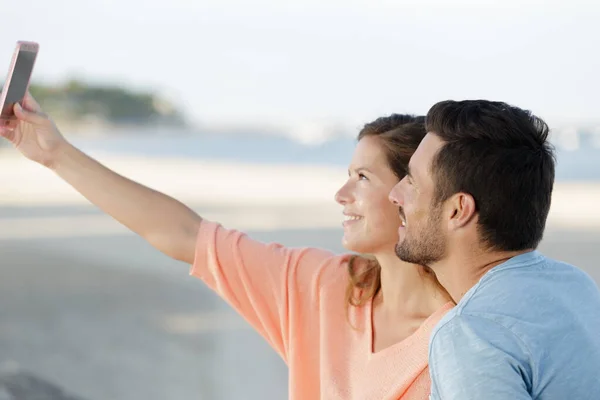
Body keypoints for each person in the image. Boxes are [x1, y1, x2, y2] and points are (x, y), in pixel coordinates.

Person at [0, 93, 454, 400]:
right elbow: (183, 235)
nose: (341, 196)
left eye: (362, 178)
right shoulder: (325, 286)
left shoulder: (465, 334)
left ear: (410, 194)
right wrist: (53, 153)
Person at [388, 99, 600, 399]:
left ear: (458, 210)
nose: (394, 194)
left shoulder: (472, 333)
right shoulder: (576, 287)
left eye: (412, 182)